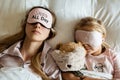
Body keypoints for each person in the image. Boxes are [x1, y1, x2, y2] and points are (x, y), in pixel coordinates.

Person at [0, 6, 61, 80]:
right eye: (34, 21)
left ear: (50, 32)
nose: (37, 25)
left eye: (43, 24)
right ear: (25, 24)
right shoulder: (3, 51)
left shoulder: (51, 60)